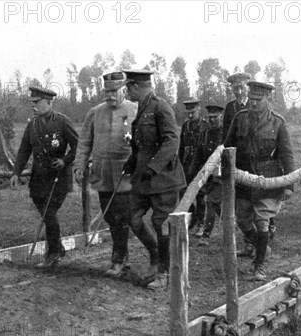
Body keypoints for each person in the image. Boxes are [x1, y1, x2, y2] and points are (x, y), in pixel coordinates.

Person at [121, 69, 186, 289]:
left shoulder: (160, 107)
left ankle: (164, 273)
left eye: (128, 87)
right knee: (133, 217)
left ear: (137, 87)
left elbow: (172, 140)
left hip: (164, 178)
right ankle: (155, 254)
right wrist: (132, 162)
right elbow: (141, 145)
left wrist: (154, 166)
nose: (126, 91)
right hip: (144, 178)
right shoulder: (141, 108)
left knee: (162, 224)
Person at [224, 81, 295, 281]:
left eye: (258, 100)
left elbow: (287, 155)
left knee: (262, 223)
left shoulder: (278, 122)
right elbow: (227, 147)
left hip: (268, 180)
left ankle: (259, 266)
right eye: (252, 99)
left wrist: (289, 184)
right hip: (244, 179)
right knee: (243, 220)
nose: (253, 103)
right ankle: (262, 247)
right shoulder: (239, 118)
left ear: (268, 99)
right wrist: (225, 173)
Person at [73, 71, 138, 276]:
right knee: (111, 215)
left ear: (124, 90)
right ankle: (122, 256)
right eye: (107, 91)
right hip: (102, 173)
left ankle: (118, 260)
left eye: (114, 91)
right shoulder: (95, 112)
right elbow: (84, 142)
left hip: (126, 174)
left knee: (123, 215)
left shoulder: (135, 109)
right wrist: (79, 165)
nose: (109, 95)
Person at [10, 87, 79, 269]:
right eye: (32, 103)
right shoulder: (32, 125)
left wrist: (65, 161)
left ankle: (53, 254)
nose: (33, 106)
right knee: (46, 213)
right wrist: (16, 173)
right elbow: (24, 150)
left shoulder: (62, 122)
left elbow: (78, 146)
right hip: (39, 178)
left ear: (49, 103)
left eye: (37, 102)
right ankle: (58, 246)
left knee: (49, 214)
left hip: (58, 178)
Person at [189, 105, 224, 245]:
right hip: (207, 173)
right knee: (213, 203)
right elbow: (198, 155)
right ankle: (230, 222)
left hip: (221, 174)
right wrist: (192, 172)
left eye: (215, 117)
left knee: (211, 201)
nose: (212, 120)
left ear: (221, 116)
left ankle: (206, 235)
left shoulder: (226, 134)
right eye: (210, 117)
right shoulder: (205, 134)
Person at [178, 99, 209, 233]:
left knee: (200, 195)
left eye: (193, 112)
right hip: (186, 164)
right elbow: (181, 147)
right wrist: (179, 163)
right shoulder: (185, 126)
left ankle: (201, 224)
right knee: (183, 192)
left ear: (199, 110)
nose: (190, 116)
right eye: (188, 113)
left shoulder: (205, 126)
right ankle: (193, 217)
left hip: (200, 164)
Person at [222, 72, 251, 142]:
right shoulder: (230, 107)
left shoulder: (254, 105)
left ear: (248, 88)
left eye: (242, 88)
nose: (239, 92)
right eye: (235, 88)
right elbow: (226, 133)